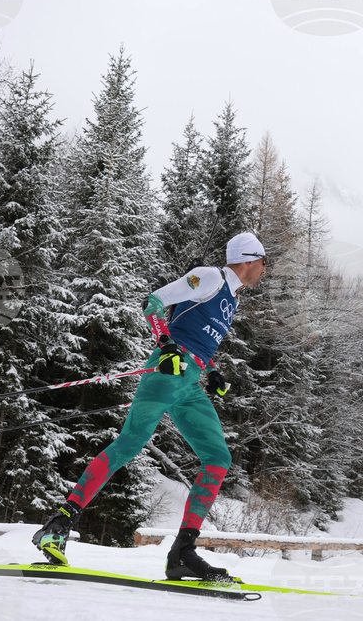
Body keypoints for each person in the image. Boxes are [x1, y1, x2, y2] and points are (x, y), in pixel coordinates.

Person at [32, 232, 267, 581]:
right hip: (168, 370)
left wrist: (214, 372)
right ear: (249, 260)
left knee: (218, 457)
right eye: (263, 263)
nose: (264, 270)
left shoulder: (231, 298)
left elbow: (200, 336)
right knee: (130, 443)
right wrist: (165, 343)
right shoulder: (212, 277)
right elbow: (154, 301)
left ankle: (182, 552)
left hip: (191, 381)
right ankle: (58, 525)